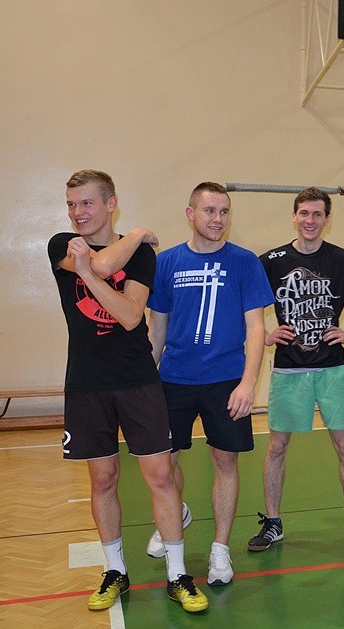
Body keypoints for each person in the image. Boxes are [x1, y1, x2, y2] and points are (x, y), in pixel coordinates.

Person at [48, 169, 208, 613]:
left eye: (87, 203)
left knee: (161, 477)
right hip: (86, 383)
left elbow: (131, 316)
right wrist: (131, 238)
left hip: (137, 379)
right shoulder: (61, 244)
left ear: (110, 203)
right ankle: (115, 571)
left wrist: (120, 248)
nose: (78, 213)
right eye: (72, 204)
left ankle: (177, 574)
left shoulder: (140, 257)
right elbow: (101, 266)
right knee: (102, 479)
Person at [144, 182, 274, 586]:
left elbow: (256, 329)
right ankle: (176, 512)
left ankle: (220, 548)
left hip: (226, 380)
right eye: (210, 211)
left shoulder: (245, 262)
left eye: (224, 212)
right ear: (190, 214)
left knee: (225, 461)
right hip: (174, 379)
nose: (218, 219)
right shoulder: (166, 263)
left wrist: (248, 383)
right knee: (164, 464)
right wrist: (144, 384)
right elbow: (157, 329)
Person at [251, 187, 344, 553]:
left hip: (332, 369)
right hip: (289, 371)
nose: (310, 220)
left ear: (327, 219)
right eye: (304, 213)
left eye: (317, 214)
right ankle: (273, 523)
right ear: (294, 216)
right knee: (277, 446)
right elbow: (242, 303)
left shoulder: (343, 260)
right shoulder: (271, 261)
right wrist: (265, 334)